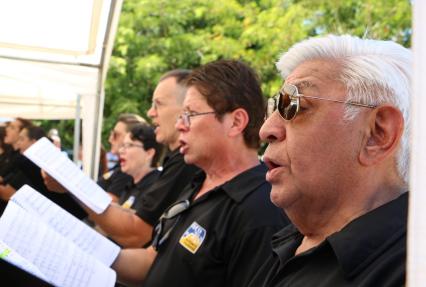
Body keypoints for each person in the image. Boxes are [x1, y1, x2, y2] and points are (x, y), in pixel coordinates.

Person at [250, 34, 410, 286]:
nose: (266, 129)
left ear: (377, 134)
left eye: (294, 105)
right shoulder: (285, 243)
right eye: (275, 108)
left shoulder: (413, 270)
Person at [112, 60, 289, 286]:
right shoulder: (199, 183)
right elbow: (153, 260)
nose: (180, 125)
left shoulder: (261, 210)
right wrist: (85, 252)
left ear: (235, 122)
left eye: (191, 114)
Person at [47, 70, 199, 248]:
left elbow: (136, 233)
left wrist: (71, 187)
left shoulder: (185, 163)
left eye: (159, 104)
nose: (150, 113)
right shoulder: (177, 161)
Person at [98, 113, 148, 202]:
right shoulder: (120, 166)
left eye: (116, 135)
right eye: (112, 134)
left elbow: (109, 203)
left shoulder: (128, 169)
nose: (110, 139)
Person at [117, 124, 162, 210]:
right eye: (123, 145)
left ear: (149, 153)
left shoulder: (156, 188)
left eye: (129, 145)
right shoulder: (131, 185)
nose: (121, 150)